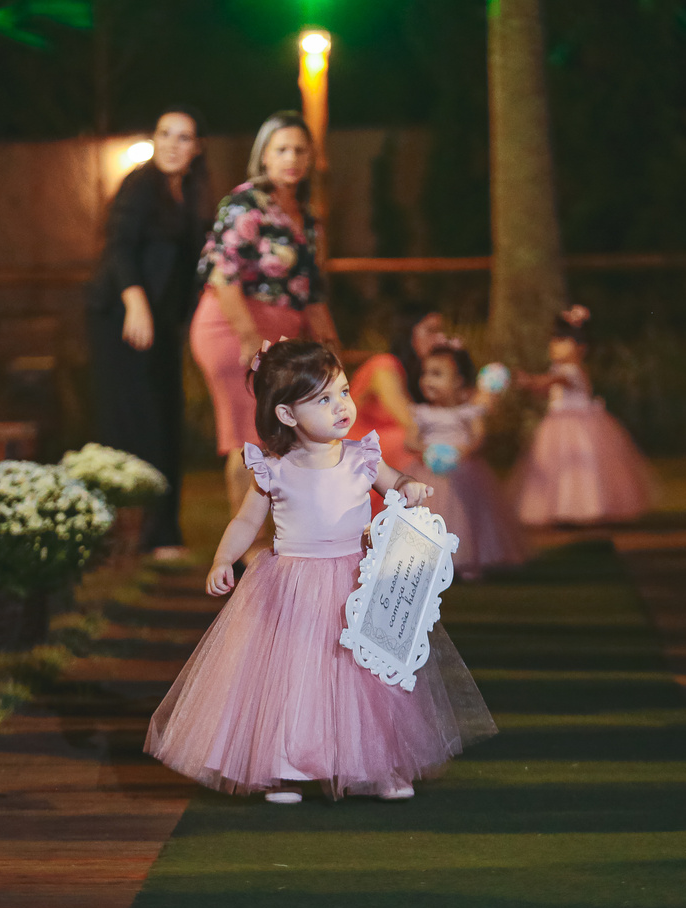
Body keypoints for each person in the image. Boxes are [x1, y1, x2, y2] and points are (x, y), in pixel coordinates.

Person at [146, 339, 495, 803]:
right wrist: (223, 558)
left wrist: (410, 487)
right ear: (287, 414)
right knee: (294, 677)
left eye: (344, 392)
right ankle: (284, 768)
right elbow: (246, 521)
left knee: (368, 675)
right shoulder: (273, 469)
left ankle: (379, 764)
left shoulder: (361, 457)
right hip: (292, 586)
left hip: (357, 580)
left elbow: (395, 482)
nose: (342, 406)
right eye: (324, 399)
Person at [189, 110, 340, 518]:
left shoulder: (307, 215)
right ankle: (246, 542)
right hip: (234, 328)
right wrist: (248, 338)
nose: (292, 158)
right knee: (250, 437)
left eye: (300, 150)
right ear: (264, 156)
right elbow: (222, 274)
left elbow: (312, 291)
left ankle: (281, 533)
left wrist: (330, 347)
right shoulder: (245, 204)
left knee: (282, 436)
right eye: (282, 149)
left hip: (283, 334)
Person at [86, 106, 207, 559]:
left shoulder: (191, 193)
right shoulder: (140, 184)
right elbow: (118, 245)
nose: (172, 144)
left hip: (163, 324)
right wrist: (135, 302)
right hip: (123, 319)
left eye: (183, 137)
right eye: (165, 134)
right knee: (137, 422)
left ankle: (162, 531)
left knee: (166, 417)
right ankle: (137, 534)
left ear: (197, 148)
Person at [513, 306, 655, 525]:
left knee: (579, 466)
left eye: (563, 342)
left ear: (580, 348)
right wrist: (532, 385)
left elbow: (552, 382)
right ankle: (564, 508)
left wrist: (531, 381)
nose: (555, 347)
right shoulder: (558, 370)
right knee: (560, 466)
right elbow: (548, 387)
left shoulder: (571, 371)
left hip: (576, 425)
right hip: (559, 421)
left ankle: (583, 507)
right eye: (554, 341)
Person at [411, 342, 525, 578]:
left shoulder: (467, 411)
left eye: (437, 374)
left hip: (464, 474)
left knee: (466, 518)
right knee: (429, 516)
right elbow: (410, 440)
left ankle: (467, 560)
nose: (428, 380)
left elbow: (478, 437)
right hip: (429, 473)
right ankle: (426, 562)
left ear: (458, 381)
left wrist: (462, 451)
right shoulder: (421, 413)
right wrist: (426, 451)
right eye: (425, 373)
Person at [347, 302, 448, 472]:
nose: (439, 338)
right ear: (409, 332)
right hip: (357, 447)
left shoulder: (419, 372)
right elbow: (408, 420)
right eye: (431, 330)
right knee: (410, 443)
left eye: (441, 331)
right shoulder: (383, 365)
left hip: (387, 443)